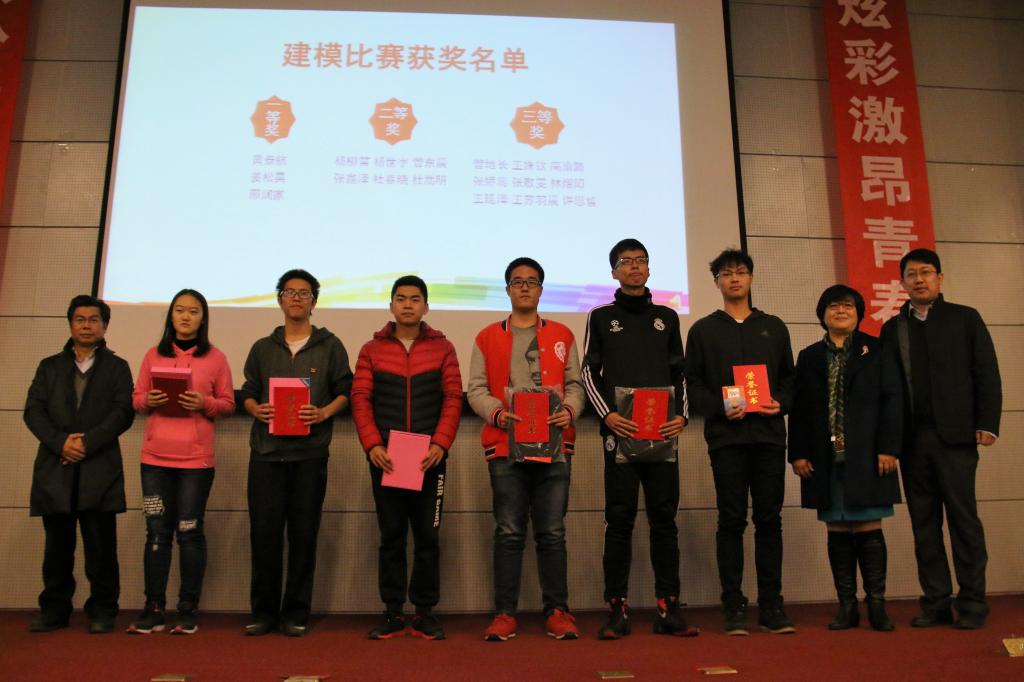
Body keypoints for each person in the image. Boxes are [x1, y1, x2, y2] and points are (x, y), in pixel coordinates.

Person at [880, 248, 1001, 630]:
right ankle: (935, 602)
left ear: (940, 278)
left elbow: (986, 372)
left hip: (956, 439)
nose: (919, 280)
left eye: (926, 272)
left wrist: (987, 423)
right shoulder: (893, 328)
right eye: (911, 274)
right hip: (913, 441)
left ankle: (972, 603)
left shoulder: (965, 318)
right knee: (924, 525)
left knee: (964, 522)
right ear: (902, 283)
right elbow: (888, 390)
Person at [581, 238, 696, 639]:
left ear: (649, 269)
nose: (634, 267)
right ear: (614, 271)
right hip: (619, 434)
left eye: (641, 261)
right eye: (626, 262)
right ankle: (617, 609)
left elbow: (680, 372)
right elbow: (589, 372)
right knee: (619, 520)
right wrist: (607, 415)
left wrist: (682, 415)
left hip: (662, 434)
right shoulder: (600, 317)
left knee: (664, 520)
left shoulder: (667, 317)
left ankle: (669, 608)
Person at [467, 257, 586, 641]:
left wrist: (569, 410)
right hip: (505, 447)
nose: (524, 287)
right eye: (517, 281)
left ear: (540, 290)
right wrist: (497, 413)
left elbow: (576, 385)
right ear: (507, 289)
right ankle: (505, 614)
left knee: (552, 533)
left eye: (531, 281)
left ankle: (558, 611)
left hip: (554, 447)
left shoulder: (562, 334)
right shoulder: (487, 336)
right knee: (508, 532)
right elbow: (475, 389)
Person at [684, 249, 796, 635]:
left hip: (768, 437)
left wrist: (780, 402)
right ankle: (733, 604)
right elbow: (692, 384)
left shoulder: (774, 327)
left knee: (769, 520)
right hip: (726, 439)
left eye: (741, 272)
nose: (734, 279)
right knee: (731, 520)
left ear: (751, 278)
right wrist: (719, 407)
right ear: (716, 282)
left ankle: (772, 604)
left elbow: (790, 379)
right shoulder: (703, 330)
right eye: (726, 273)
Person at [239, 269, 353, 637]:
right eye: (290, 292)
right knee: (265, 536)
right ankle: (263, 612)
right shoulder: (262, 347)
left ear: (314, 301)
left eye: (304, 293)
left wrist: (323, 413)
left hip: (309, 455)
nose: (297, 298)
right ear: (279, 299)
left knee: (304, 535)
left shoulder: (330, 346)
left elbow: (346, 391)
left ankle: (296, 612)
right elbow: (248, 391)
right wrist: (255, 408)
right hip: (266, 454)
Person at [351, 276, 463, 641]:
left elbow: (453, 398)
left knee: (428, 537)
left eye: (415, 299)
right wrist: (373, 446)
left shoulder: (443, 348)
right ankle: (393, 611)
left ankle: (425, 612)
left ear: (426, 307)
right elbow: (360, 399)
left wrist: (440, 444)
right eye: (401, 299)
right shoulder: (372, 349)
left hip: (430, 458)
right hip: (386, 458)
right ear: (391, 306)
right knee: (392, 536)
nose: (408, 305)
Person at [788, 285, 902, 632]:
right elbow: (800, 408)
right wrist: (798, 453)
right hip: (824, 458)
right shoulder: (809, 356)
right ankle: (847, 606)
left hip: (868, 454)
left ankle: (877, 604)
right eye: (833, 306)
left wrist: (889, 447)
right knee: (837, 527)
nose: (841, 311)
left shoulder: (878, 350)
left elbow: (892, 400)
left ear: (859, 313)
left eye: (848, 306)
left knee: (868, 525)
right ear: (822, 315)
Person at [24, 295, 135, 634]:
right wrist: (61, 443)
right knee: (57, 548)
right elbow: (33, 411)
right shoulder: (49, 366)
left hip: (99, 467)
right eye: (80, 319)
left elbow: (122, 413)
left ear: (105, 325)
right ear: (71, 324)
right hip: (56, 465)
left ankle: (102, 611)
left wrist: (86, 443)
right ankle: (54, 610)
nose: (87, 326)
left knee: (101, 548)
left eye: (94, 320)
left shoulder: (118, 367)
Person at [126, 289, 235, 635]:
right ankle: (154, 607)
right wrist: (149, 399)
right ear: (171, 316)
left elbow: (228, 404)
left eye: (193, 311)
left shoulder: (216, 358)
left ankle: (187, 607)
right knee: (157, 533)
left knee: (189, 532)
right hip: (155, 459)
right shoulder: (152, 354)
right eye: (179, 310)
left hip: (195, 461)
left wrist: (205, 403)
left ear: (203, 318)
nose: (186, 316)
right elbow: (136, 399)